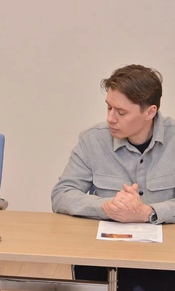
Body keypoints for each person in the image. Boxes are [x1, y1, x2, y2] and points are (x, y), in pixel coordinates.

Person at [52, 64, 175, 290]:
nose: (110, 118)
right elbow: (62, 194)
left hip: (164, 260)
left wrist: (148, 212)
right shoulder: (93, 140)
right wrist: (110, 207)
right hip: (105, 256)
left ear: (150, 112)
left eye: (121, 112)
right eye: (109, 107)